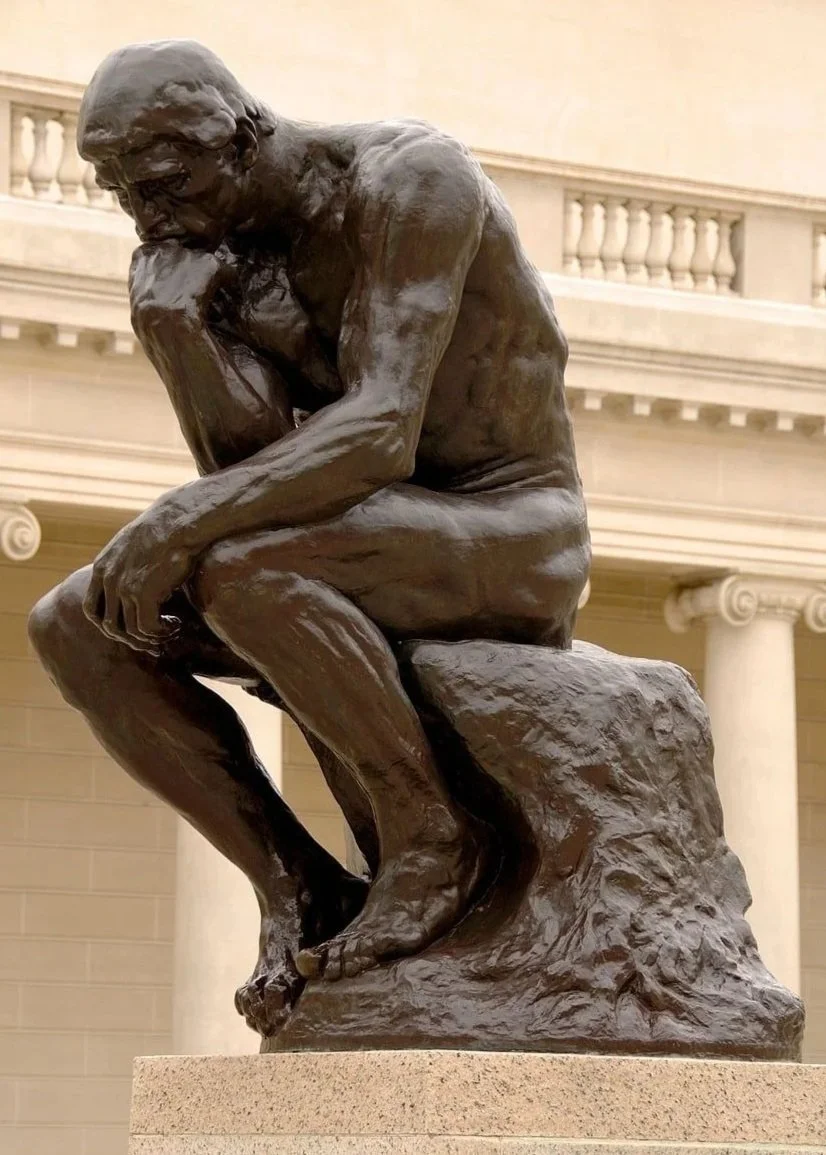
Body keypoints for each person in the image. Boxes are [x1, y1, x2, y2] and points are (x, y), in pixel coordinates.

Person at [28, 39, 590, 1037]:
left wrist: (178, 523)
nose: (145, 216)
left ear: (237, 137)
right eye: (121, 195)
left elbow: (381, 429)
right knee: (76, 621)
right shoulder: (202, 254)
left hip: (512, 527)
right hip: (360, 541)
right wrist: (180, 334)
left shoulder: (408, 182)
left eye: (159, 183)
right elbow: (242, 466)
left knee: (241, 563)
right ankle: (297, 887)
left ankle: (433, 839)